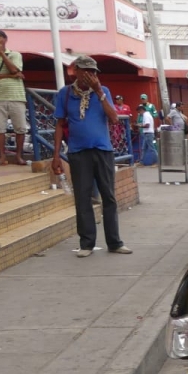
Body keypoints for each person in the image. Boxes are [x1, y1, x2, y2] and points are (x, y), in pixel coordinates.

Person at [52, 56, 131, 258]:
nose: (91, 75)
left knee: (109, 197)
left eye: (94, 72)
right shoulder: (65, 94)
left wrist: (98, 92)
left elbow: (114, 118)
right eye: (86, 71)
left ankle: (115, 242)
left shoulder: (103, 92)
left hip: (103, 150)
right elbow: (60, 124)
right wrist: (56, 156)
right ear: (76, 71)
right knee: (83, 198)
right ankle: (86, 243)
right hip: (78, 153)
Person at [0, 29, 27, 166]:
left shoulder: (15, 54)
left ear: (5, 39)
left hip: (17, 96)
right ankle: (2, 157)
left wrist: (2, 53)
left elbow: (15, 69)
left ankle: (18, 156)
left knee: (20, 128)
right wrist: (10, 76)